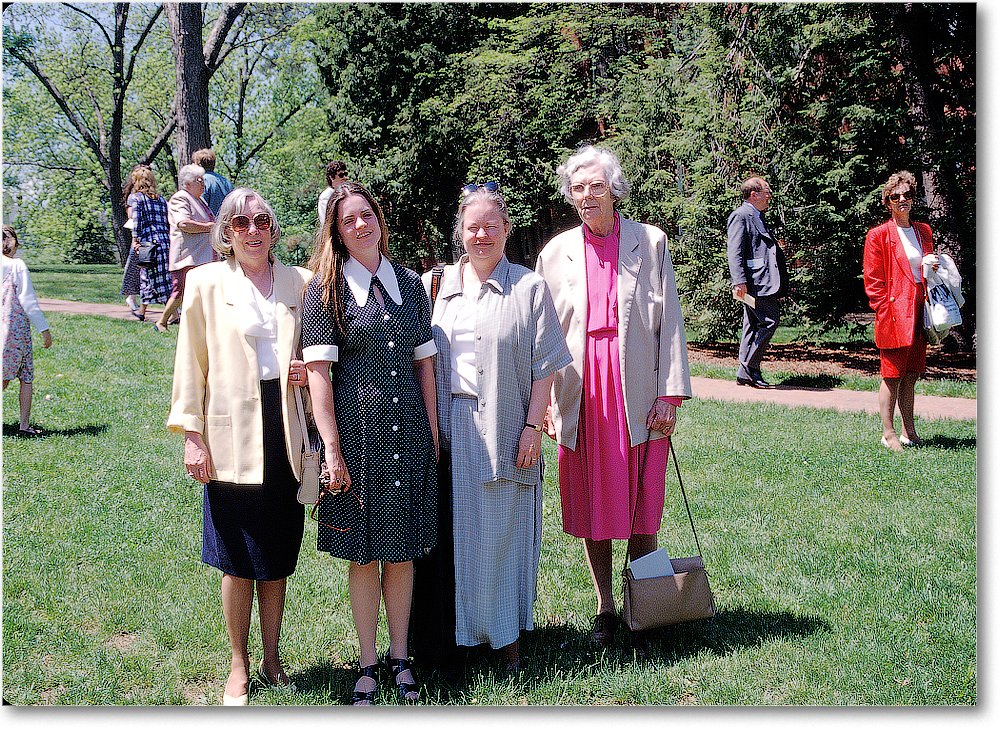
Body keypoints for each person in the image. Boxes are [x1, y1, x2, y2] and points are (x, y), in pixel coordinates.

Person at [535, 145, 692, 651]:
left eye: (595, 186)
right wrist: (546, 409)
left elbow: (670, 323)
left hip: (639, 391)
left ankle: (642, 602)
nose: (586, 196)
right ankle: (605, 605)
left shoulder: (650, 241)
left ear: (614, 189)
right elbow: (541, 335)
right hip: (581, 394)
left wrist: (671, 393)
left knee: (643, 506)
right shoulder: (554, 253)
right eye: (577, 188)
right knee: (594, 507)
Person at [413, 183, 571, 674]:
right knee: (457, 536)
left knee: (503, 532)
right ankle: (460, 637)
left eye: (491, 226)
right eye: (473, 226)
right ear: (460, 231)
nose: (482, 235)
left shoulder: (529, 287)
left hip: (508, 423)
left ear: (506, 230)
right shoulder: (434, 287)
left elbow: (546, 364)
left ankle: (505, 637)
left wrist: (532, 426)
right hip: (450, 424)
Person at [166, 188, 311, 705]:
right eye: (242, 222)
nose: (254, 230)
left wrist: (309, 370)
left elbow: (324, 349)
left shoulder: (301, 281)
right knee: (235, 555)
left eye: (263, 221)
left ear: (273, 229)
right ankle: (238, 663)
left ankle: (272, 657)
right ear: (226, 233)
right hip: (229, 431)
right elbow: (192, 364)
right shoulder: (205, 284)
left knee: (276, 553)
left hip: (288, 427)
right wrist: (191, 435)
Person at [302, 182, 438, 705]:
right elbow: (318, 374)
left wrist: (431, 430)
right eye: (347, 221)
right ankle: (366, 663)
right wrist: (331, 449)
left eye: (366, 215)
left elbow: (425, 365)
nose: (360, 226)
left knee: (401, 553)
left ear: (380, 219)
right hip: (356, 437)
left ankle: (400, 659)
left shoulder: (408, 283)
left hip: (406, 435)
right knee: (363, 556)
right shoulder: (324, 291)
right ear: (336, 233)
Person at [863, 171, 938, 451]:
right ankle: (888, 433)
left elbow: (926, 270)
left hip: (921, 308)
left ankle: (910, 431)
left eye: (907, 195)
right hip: (895, 312)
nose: (902, 200)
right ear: (887, 202)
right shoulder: (878, 235)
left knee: (912, 374)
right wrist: (885, 308)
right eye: (896, 196)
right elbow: (873, 282)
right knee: (892, 375)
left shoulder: (924, 231)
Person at [726, 176, 788, 388]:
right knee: (770, 320)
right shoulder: (741, 215)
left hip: (759, 282)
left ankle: (747, 373)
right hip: (753, 285)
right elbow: (734, 252)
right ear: (754, 194)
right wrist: (739, 281)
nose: (770, 196)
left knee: (752, 325)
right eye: (767, 192)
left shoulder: (757, 215)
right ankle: (748, 367)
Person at [3, 225, 53, 437]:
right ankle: (23, 425)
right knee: (24, 376)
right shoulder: (17, 266)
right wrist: (44, 329)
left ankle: (24, 426)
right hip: (15, 332)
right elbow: (28, 300)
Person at [157, 164, 216, 332]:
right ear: (187, 183)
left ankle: (199, 325)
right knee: (180, 291)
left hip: (201, 256)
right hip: (187, 256)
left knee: (198, 293)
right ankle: (161, 321)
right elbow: (184, 224)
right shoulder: (180, 198)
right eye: (199, 181)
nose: (203, 184)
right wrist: (210, 227)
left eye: (203, 180)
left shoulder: (199, 199)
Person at [131, 167, 173, 321]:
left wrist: (135, 240)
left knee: (147, 276)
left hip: (148, 242)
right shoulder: (162, 200)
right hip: (164, 241)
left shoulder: (137, 198)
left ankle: (145, 312)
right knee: (164, 277)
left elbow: (136, 222)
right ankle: (147, 311)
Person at [120, 165, 147, 317]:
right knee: (134, 266)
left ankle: (134, 297)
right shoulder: (134, 196)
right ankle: (132, 296)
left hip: (147, 236)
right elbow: (131, 214)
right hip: (138, 235)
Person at [192, 148, 234, 216]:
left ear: (199, 166)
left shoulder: (202, 181)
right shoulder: (227, 182)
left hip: (210, 224)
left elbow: (200, 207)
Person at [317, 160, 349, 229]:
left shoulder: (347, 192)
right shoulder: (326, 195)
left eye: (345, 174)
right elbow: (325, 221)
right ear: (331, 177)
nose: (344, 177)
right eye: (341, 175)